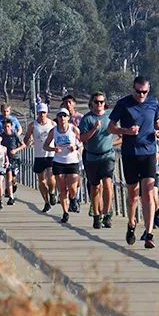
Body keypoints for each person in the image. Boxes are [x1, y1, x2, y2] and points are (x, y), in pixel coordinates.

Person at [108, 76, 159, 249]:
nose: (141, 95)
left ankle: (149, 233)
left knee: (148, 192)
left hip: (149, 153)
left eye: (144, 92)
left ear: (149, 90)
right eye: (138, 91)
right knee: (133, 195)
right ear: (133, 89)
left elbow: (158, 123)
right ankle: (131, 224)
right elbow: (110, 127)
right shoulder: (123, 104)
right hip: (130, 154)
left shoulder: (153, 103)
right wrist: (125, 131)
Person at [79, 92, 118, 229]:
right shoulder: (87, 119)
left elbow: (119, 133)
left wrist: (112, 144)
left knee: (108, 183)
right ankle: (96, 215)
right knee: (94, 187)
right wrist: (94, 129)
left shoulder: (109, 116)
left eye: (101, 102)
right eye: (96, 102)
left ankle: (107, 214)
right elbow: (82, 138)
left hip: (107, 156)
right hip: (92, 156)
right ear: (92, 103)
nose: (99, 104)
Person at [44, 108, 82, 224]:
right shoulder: (53, 131)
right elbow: (45, 146)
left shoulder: (73, 129)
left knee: (72, 188)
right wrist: (53, 149)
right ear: (58, 118)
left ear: (68, 118)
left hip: (72, 161)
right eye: (60, 116)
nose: (62, 118)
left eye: (64, 116)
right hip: (59, 162)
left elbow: (82, 141)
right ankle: (65, 213)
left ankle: (73, 198)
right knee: (62, 189)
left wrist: (75, 147)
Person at [23, 104, 57, 212]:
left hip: (50, 154)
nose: (42, 115)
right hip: (39, 155)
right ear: (37, 113)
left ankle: (52, 192)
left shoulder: (52, 124)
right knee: (41, 180)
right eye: (40, 112)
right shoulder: (33, 125)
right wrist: (28, 140)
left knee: (51, 176)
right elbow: (26, 139)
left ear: (47, 113)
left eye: (44, 112)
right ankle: (46, 202)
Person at [61, 95, 84, 212]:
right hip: (63, 155)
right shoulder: (61, 118)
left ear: (74, 104)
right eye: (65, 103)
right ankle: (72, 201)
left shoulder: (80, 118)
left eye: (70, 102)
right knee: (65, 180)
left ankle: (76, 199)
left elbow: (83, 136)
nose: (68, 105)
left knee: (76, 178)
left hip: (77, 153)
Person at [1, 119, 26, 205]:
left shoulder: (15, 135)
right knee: (8, 176)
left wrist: (15, 150)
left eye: (8, 126)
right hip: (6, 159)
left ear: (11, 127)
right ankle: (11, 197)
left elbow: (23, 145)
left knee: (13, 177)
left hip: (15, 158)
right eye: (4, 127)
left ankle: (14, 184)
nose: (6, 128)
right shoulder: (1, 136)